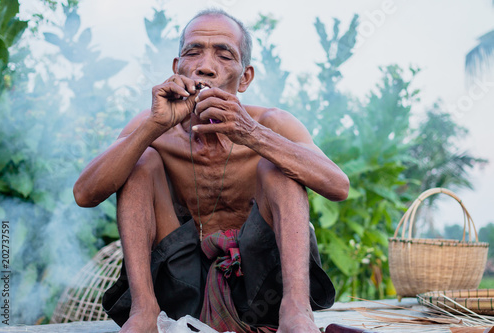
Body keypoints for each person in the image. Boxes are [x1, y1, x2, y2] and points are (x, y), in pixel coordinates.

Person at [73, 8, 349, 333]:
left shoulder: (271, 122)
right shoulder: (154, 126)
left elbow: (338, 187)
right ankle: (144, 311)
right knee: (141, 160)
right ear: (177, 68)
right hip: (180, 291)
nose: (205, 66)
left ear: (245, 77)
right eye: (193, 52)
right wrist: (152, 127)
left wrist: (253, 135)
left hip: (261, 291)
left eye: (224, 55)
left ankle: (296, 313)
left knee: (278, 165)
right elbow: (85, 194)